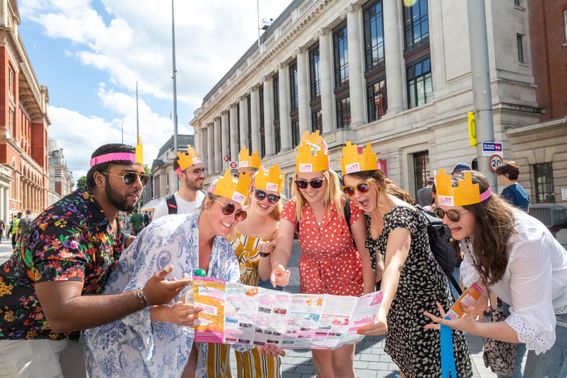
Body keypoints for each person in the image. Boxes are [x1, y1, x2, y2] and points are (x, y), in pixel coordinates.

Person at [0, 143, 189, 377]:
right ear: (100, 179)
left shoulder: (108, 216)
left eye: (143, 177)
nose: (139, 185)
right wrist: (144, 297)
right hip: (23, 337)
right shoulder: (65, 225)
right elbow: (62, 313)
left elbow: (116, 245)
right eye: (129, 177)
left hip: (68, 336)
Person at [84, 169, 254, 377]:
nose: (233, 218)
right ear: (207, 203)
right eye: (228, 208)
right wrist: (168, 313)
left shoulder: (225, 251)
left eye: (240, 213)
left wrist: (260, 339)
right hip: (125, 348)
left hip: (178, 344)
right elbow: (125, 304)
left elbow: (229, 309)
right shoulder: (166, 235)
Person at [341, 142, 473, 378]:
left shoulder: (402, 216)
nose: (356, 196)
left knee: (432, 370)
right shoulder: (370, 211)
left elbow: (395, 263)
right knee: (407, 367)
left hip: (425, 306)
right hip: (399, 304)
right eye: (349, 190)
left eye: (362, 187)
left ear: (378, 183)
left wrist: (380, 309)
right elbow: (377, 259)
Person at [424, 169, 567, 378]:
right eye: (440, 212)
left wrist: (472, 327)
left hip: (559, 307)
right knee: (505, 369)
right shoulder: (472, 229)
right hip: (519, 298)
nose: (445, 221)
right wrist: (464, 306)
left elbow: (531, 324)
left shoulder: (526, 241)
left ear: (480, 210)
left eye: (452, 214)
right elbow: (476, 270)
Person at [270, 132, 374, 378]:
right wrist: (278, 266)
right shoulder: (293, 207)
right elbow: (283, 245)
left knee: (341, 363)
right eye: (302, 183)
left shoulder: (348, 205)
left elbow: (366, 252)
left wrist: (368, 299)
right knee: (321, 361)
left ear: (328, 178)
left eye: (316, 182)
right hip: (313, 293)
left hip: (349, 291)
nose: (309, 189)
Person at [209, 164, 284, 377]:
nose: (265, 201)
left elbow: (264, 277)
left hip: (254, 305)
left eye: (272, 197)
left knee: (258, 368)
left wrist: (265, 255)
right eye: (261, 194)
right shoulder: (234, 215)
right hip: (219, 299)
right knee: (214, 366)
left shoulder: (277, 228)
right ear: (251, 191)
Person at [153, 144, 206, 220]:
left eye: (203, 170)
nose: (202, 175)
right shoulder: (165, 208)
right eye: (196, 171)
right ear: (181, 176)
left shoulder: (208, 201)